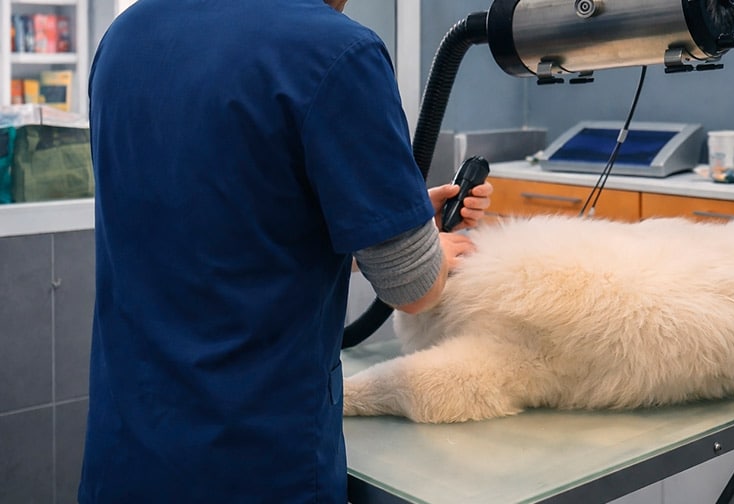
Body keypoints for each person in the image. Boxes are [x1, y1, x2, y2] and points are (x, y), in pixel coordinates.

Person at [79, 0, 492, 502]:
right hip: (253, 464)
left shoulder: (126, 35)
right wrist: (436, 254)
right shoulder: (335, 50)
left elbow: (226, 229)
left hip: (125, 457)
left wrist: (389, 220)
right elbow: (413, 288)